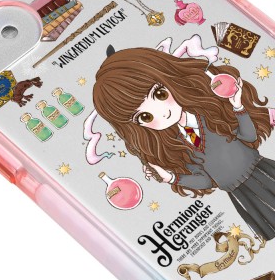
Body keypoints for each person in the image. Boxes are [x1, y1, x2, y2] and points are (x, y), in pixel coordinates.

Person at [92, 39, 275, 241]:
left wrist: (238, 107)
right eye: (145, 117)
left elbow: (249, 137)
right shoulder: (174, 147)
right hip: (242, 195)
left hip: (264, 172)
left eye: (160, 94)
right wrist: (171, 177)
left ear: (170, 79)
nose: (163, 113)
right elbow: (206, 181)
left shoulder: (211, 112)